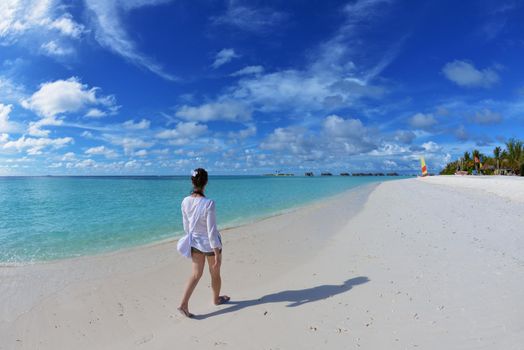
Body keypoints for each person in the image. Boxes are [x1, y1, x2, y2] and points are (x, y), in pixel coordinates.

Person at [178, 168, 230, 318]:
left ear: (192, 182)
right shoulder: (209, 203)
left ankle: (183, 304)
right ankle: (216, 299)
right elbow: (211, 230)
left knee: (196, 274)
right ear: (206, 182)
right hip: (209, 245)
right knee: (215, 274)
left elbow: (186, 227)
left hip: (194, 243)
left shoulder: (185, 201)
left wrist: (194, 239)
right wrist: (216, 251)